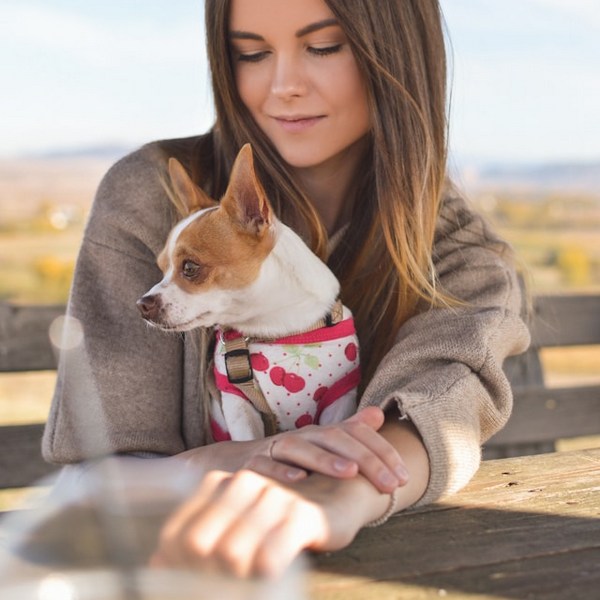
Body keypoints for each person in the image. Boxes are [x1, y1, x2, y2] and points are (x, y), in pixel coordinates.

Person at [42, 0, 530, 578]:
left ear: (398, 55)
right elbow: (89, 477)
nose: (284, 86)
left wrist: (342, 494)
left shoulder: (457, 252)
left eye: (323, 46)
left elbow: (450, 393)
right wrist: (238, 458)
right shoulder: (151, 195)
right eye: (249, 53)